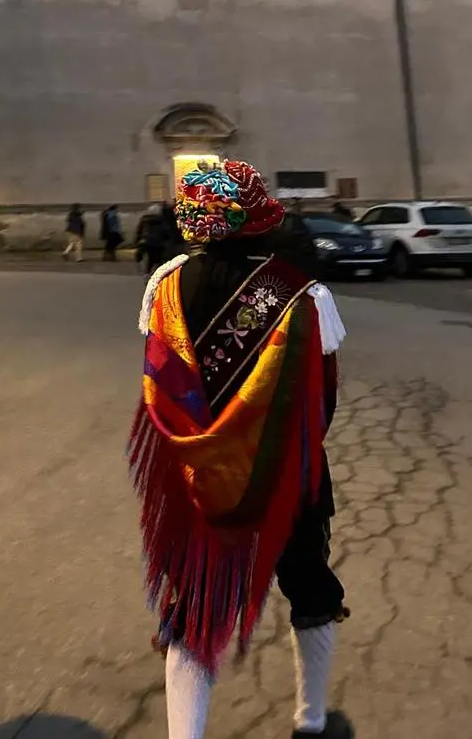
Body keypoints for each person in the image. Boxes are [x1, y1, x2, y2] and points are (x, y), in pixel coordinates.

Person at [128, 160, 352, 739]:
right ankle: (312, 720)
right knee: (308, 585)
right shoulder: (303, 291)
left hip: (198, 476)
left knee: (195, 604)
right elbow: (321, 400)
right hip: (287, 473)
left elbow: (159, 382)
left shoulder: (167, 284)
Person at [135, 203, 166, 275]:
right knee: (158, 260)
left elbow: (139, 231)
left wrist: (137, 240)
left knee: (149, 260)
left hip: (147, 241)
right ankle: (157, 275)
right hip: (158, 243)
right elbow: (165, 231)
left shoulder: (144, 219)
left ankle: (147, 273)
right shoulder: (161, 220)